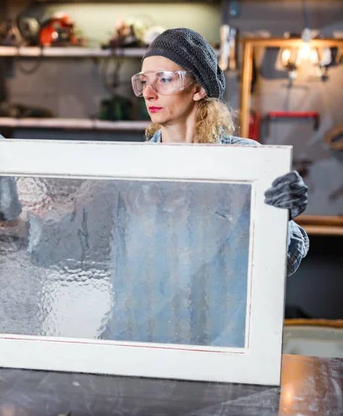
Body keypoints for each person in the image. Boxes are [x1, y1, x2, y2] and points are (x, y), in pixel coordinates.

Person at [131, 27, 309, 276]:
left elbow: (284, 263)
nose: (149, 93)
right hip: (151, 309)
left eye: (164, 79)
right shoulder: (132, 167)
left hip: (221, 308)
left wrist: (281, 218)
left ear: (199, 89)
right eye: (144, 82)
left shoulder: (245, 160)